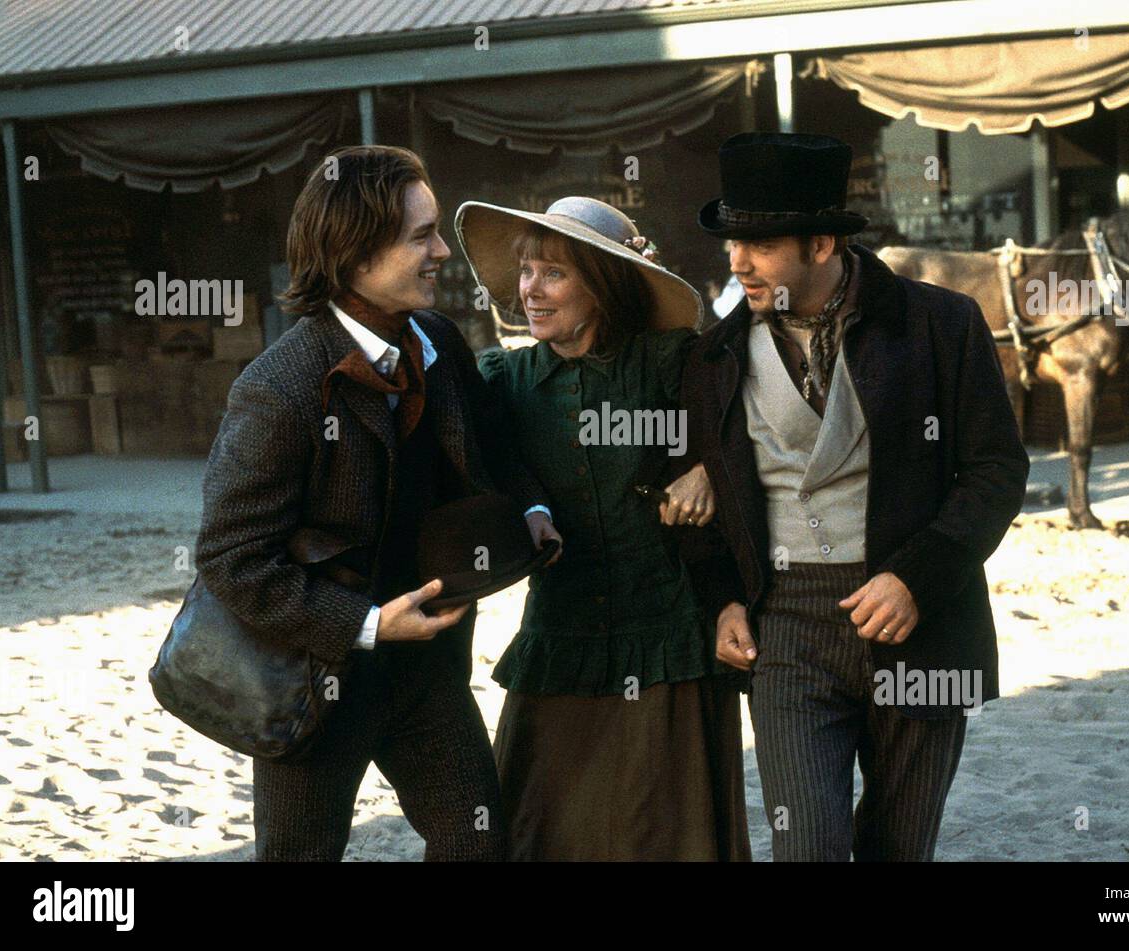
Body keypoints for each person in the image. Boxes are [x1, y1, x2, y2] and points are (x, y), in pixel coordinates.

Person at [196, 146, 560, 861]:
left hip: (428, 672)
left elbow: (498, 445)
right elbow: (229, 559)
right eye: (419, 236)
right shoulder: (279, 388)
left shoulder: (440, 341)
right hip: (312, 680)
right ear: (356, 254)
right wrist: (365, 623)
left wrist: (530, 509)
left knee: (478, 841)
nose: (440, 251)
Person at [680, 132, 1029, 861]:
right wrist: (723, 598)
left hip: (922, 625)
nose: (738, 262)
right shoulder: (713, 353)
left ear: (819, 243)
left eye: (759, 243)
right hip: (785, 629)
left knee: (899, 849)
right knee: (805, 845)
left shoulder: (942, 324)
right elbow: (704, 507)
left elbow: (996, 470)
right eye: (731, 244)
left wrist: (917, 577)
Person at [456, 196, 750, 861]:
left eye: (552, 273)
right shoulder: (505, 380)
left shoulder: (670, 362)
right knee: (541, 830)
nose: (530, 288)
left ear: (604, 286)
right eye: (526, 270)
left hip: (669, 638)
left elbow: (750, 416)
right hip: (561, 641)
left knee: (670, 834)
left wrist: (708, 466)